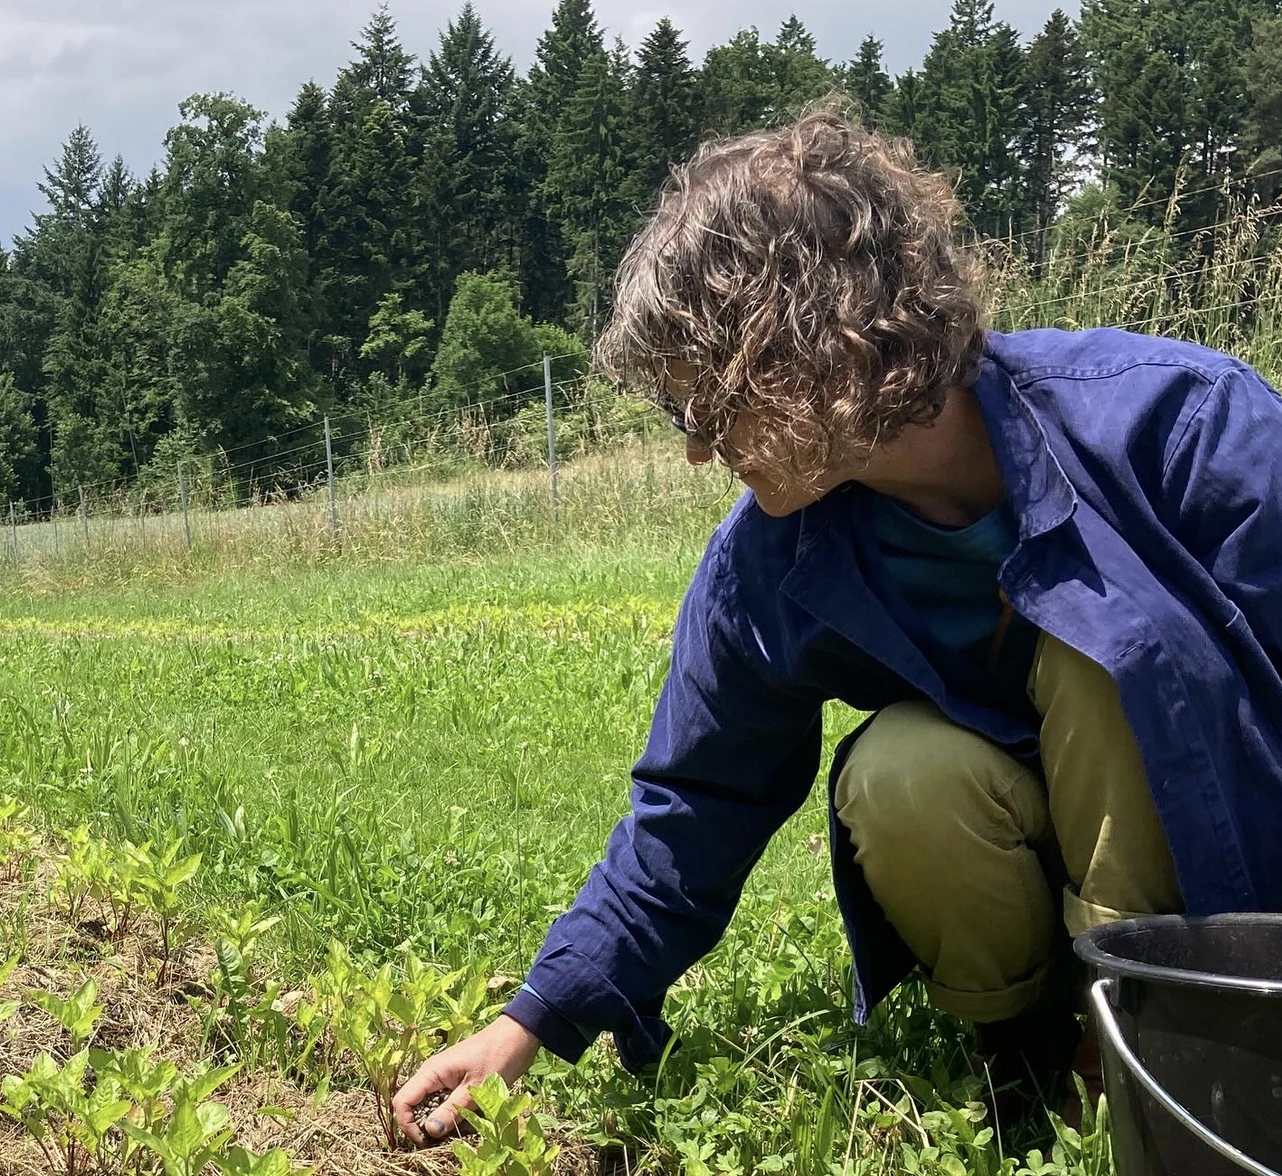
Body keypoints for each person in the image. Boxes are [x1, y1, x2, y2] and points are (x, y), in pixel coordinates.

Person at [393, 108, 1282, 1146]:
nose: (694, 450)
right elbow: (697, 797)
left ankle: (1138, 1033)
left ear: (816, 347)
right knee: (900, 768)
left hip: (1223, 900)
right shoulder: (772, 560)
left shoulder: (1183, 427)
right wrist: (531, 1021)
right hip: (1025, 867)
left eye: (705, 405)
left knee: (1102, 648)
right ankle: (1020, 1057)